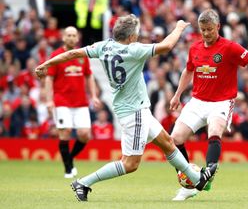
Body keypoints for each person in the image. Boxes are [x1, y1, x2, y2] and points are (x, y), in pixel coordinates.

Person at [35, 14, 218, 202]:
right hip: (134, 113)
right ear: (131, 37)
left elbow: (72, 53)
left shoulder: (103, 46)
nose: (137, 37)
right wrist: (179, 27)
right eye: (136, 34)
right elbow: (166, 46)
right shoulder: (134, 50)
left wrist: (46, 64)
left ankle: (197, 180)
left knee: (168, 143)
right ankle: (83, 183)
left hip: (135, 109)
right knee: (130, 164)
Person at [169, 9, 248, 201]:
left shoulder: (230, 48)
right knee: (174, 139)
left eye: (210, 29)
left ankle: (209, 172)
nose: (207, 33)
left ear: (218, 27)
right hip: (197, 101)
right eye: (203, 30)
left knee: (215, 130)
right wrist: (177, 95)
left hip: (221, 101)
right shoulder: (195, 48)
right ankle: (189, 182)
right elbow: (188, 71)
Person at [45, 26, 100, 178]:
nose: (70, 37)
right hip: (61, 100)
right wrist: (49, 101)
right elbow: (49, 79)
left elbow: (89, 76)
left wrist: (94, 96)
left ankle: (69, 158)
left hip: (81, 102)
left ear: (77, 38)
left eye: (73, 35)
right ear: (63, 37)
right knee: (66, 132)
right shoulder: (56, 55)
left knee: (84, 134)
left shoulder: (82, 55)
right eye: (68, 35)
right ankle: (68, 169)